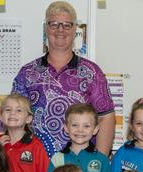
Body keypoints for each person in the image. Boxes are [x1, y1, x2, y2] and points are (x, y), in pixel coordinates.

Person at [12, 1, 115, 157]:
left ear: (75, 30)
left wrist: (97, 164)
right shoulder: (27, 73)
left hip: (80, 167)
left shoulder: (92, 72)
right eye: (54, 24)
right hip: (35, 165)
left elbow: (105, 117)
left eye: (67, 25)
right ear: (45, 28)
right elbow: (14, 116)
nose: (60, 30)